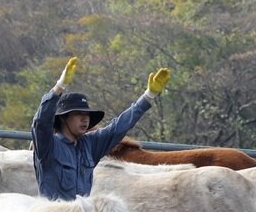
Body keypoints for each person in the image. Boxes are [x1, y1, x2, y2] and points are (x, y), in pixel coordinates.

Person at [31, 56, 171, 201]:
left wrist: (148, 96)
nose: (85, 119)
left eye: (87, 115)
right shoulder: (47, 145)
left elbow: (118, 127)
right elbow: (40, 122)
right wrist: (59, 87)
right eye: (78, 114)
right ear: (63, 118)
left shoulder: (89, 145)